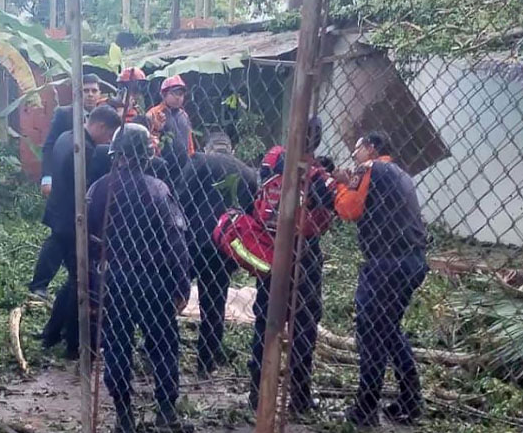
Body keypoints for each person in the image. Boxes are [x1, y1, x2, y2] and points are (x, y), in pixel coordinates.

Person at [87, 123, 193, 433]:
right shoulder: (158, 189)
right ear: (147, 156)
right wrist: (181, 284)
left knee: (117, 344)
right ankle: (165, 410)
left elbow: (88, 240)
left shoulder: (98, 189)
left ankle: (123, 415)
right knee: (162, 344)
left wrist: (92, 283)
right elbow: (176, 241)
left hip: (114, 277)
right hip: (153, 280)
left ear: (115, 155)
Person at [333, 132, 428, 426]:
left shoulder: (371, 168)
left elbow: (349, 209)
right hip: (412, 260)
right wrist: (350, 182)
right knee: (388, 329)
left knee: (371, 331)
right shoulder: (399, 172)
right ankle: (410, 400)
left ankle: (366, 408)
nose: (355, 155)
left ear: (372, 149)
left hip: (386, 263)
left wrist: (337, 184)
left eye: (358, 149)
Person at [248, 117, 336, 414]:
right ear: (316, 139)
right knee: (304, 324)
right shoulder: (317, 174)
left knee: (265, 320)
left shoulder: (273, 159)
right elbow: (329, 205)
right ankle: (298, 398)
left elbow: (258, 188)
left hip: (271, 244)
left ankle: (257, 393)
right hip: (305, 249)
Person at [40, 105, 120, 358]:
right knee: (82, 284)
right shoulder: (83, 151)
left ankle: (52, 333)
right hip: (72, 223)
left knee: (74, 280)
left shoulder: (67, 136)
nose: (107, 142)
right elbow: (85, 191)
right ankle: (75, 344)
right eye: (108, 136)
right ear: (101, 127)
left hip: (59, 218)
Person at [177, 131, 257, 377]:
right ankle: (206, 361)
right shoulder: (248, 173)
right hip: (224, 246)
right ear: (231, 150)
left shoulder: (200, 161)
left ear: (210, 148)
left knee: (173, 294)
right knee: (213, 304)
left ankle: (158, 349)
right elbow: (252, 214)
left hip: (192, 242)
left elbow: (181, 197)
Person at [30, 73, 102, 298]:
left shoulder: (103, 116)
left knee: (73, 237)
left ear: (100, 94)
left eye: (94, 91)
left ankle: (77, 285)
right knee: (61, 233)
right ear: (77, 93)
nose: (90, 95)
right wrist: (47, 177)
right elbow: (50, 146)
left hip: (89, 185)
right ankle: (39, 284)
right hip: (64, 183)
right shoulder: (65, 114)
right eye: (85, 91)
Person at [146, 75, 195, 188]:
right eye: (174, 93)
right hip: (162, 164)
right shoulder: (154, 113)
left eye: (181, 94)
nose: (178, 97)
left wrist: (192, 157)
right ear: (164, 94)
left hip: (183, 164)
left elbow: (189, 140)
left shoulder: (184, 115)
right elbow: (148, 140)